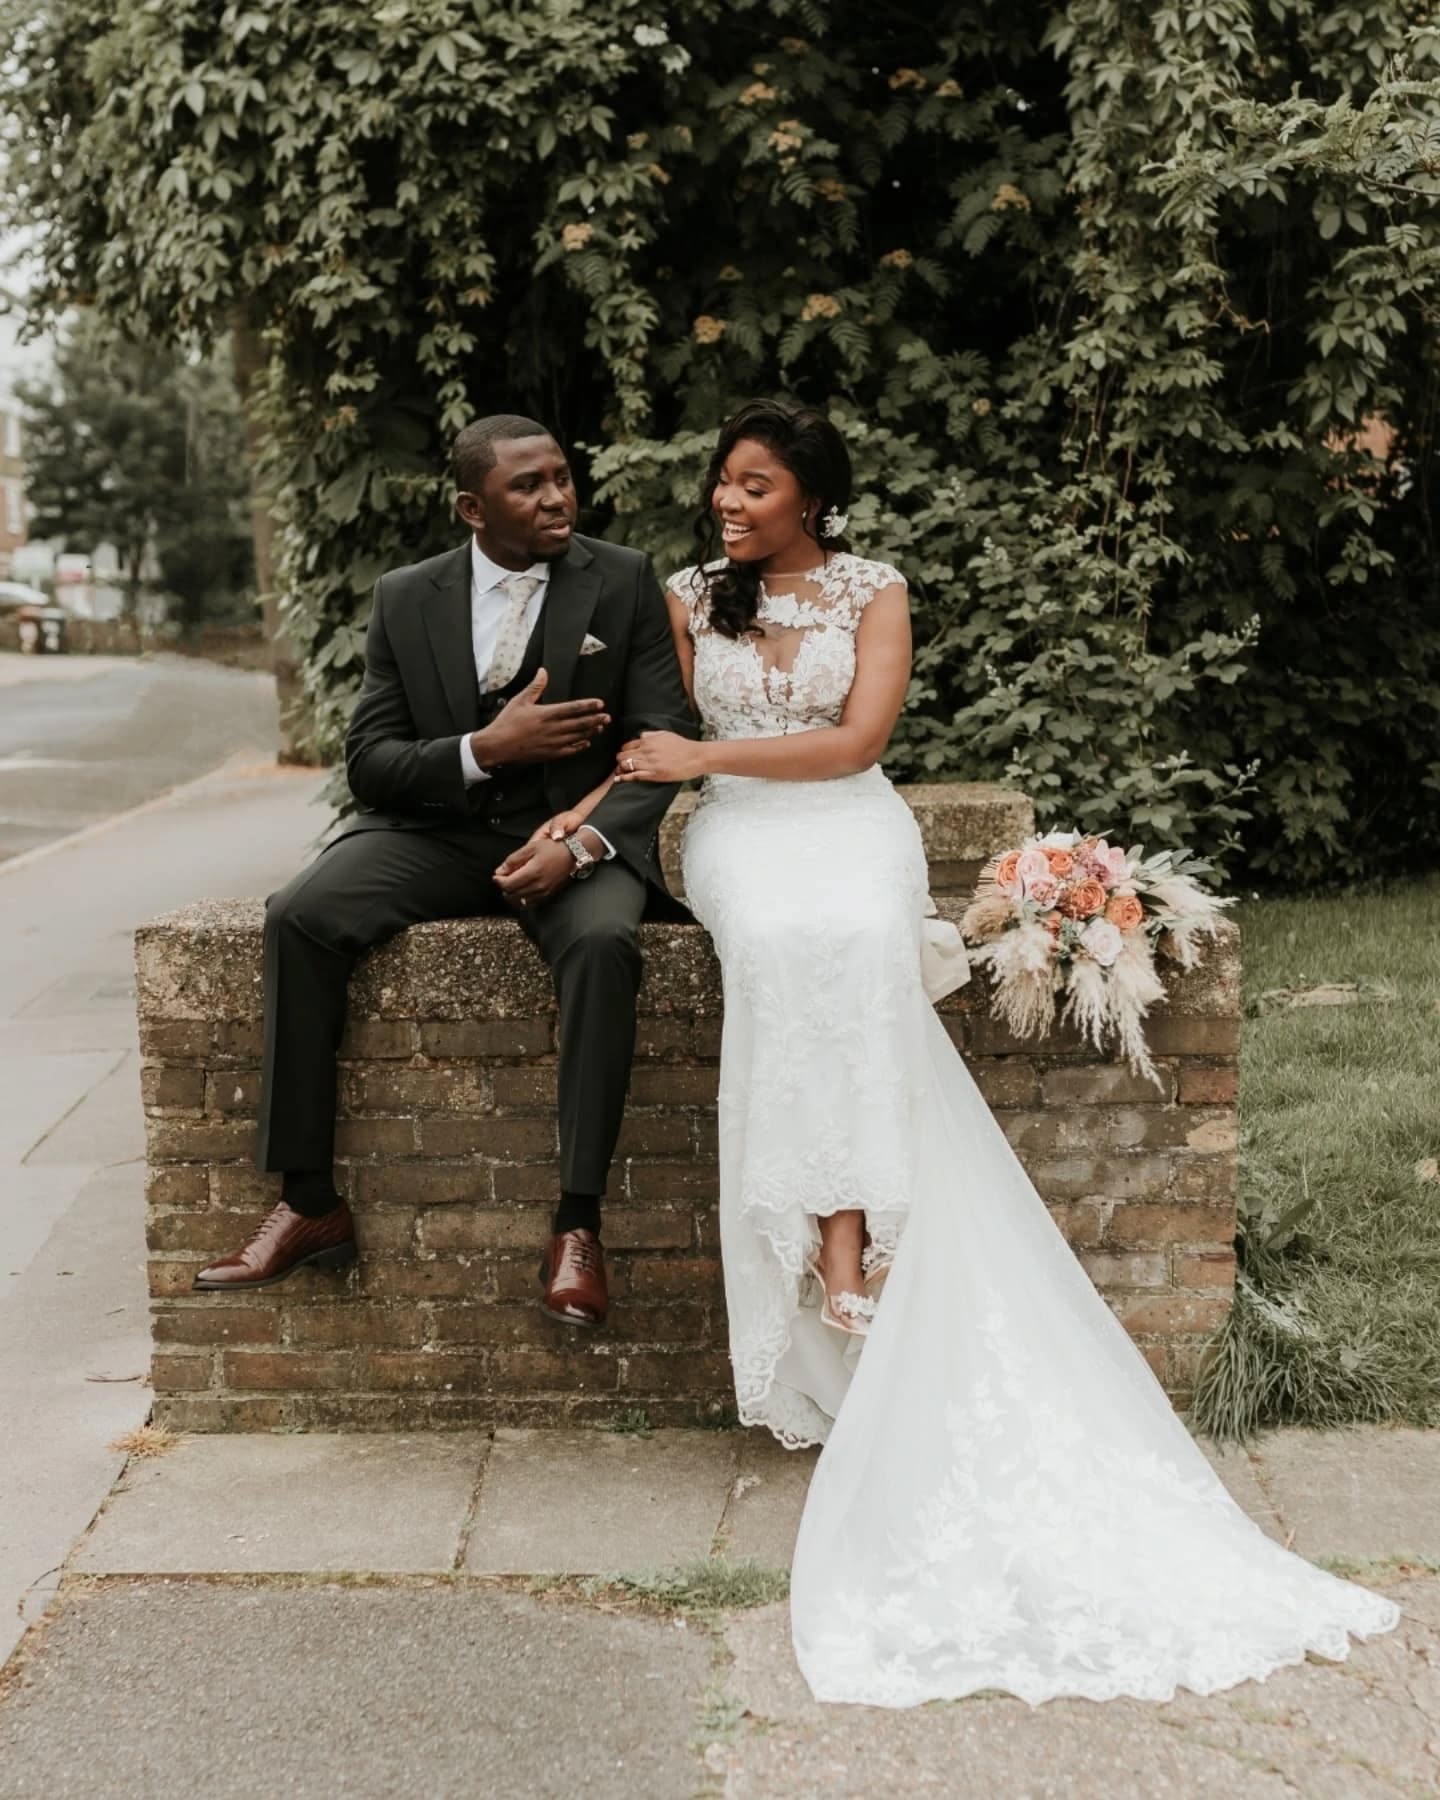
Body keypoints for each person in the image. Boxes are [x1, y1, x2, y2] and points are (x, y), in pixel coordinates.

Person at [583, 397, 1397, 1706]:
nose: (728, 504)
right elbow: (651, 755)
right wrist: (601, 811)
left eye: (755, 486)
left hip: (850, 821)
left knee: (854, 933)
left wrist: (704, 747)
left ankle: (855, 1231)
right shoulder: (685, 595)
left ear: (810, 496)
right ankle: (842, 1236)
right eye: (722, 485)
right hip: (732, 834)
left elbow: (859, 745)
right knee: (783, 947)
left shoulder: (875, 590)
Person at [192, 414, 695, 1329]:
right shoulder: (406, 596)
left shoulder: (619, 580)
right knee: (300, 913)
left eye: (561, 477)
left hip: (572, 839)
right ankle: (310, 1202)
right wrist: (481, 748)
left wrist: (578, 843)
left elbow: (663, 744)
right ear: (472, 507)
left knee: (604, 948)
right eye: (528, 486)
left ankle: (577, 1227)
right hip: (439, 832)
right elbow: (371, 763)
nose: (556, 497)